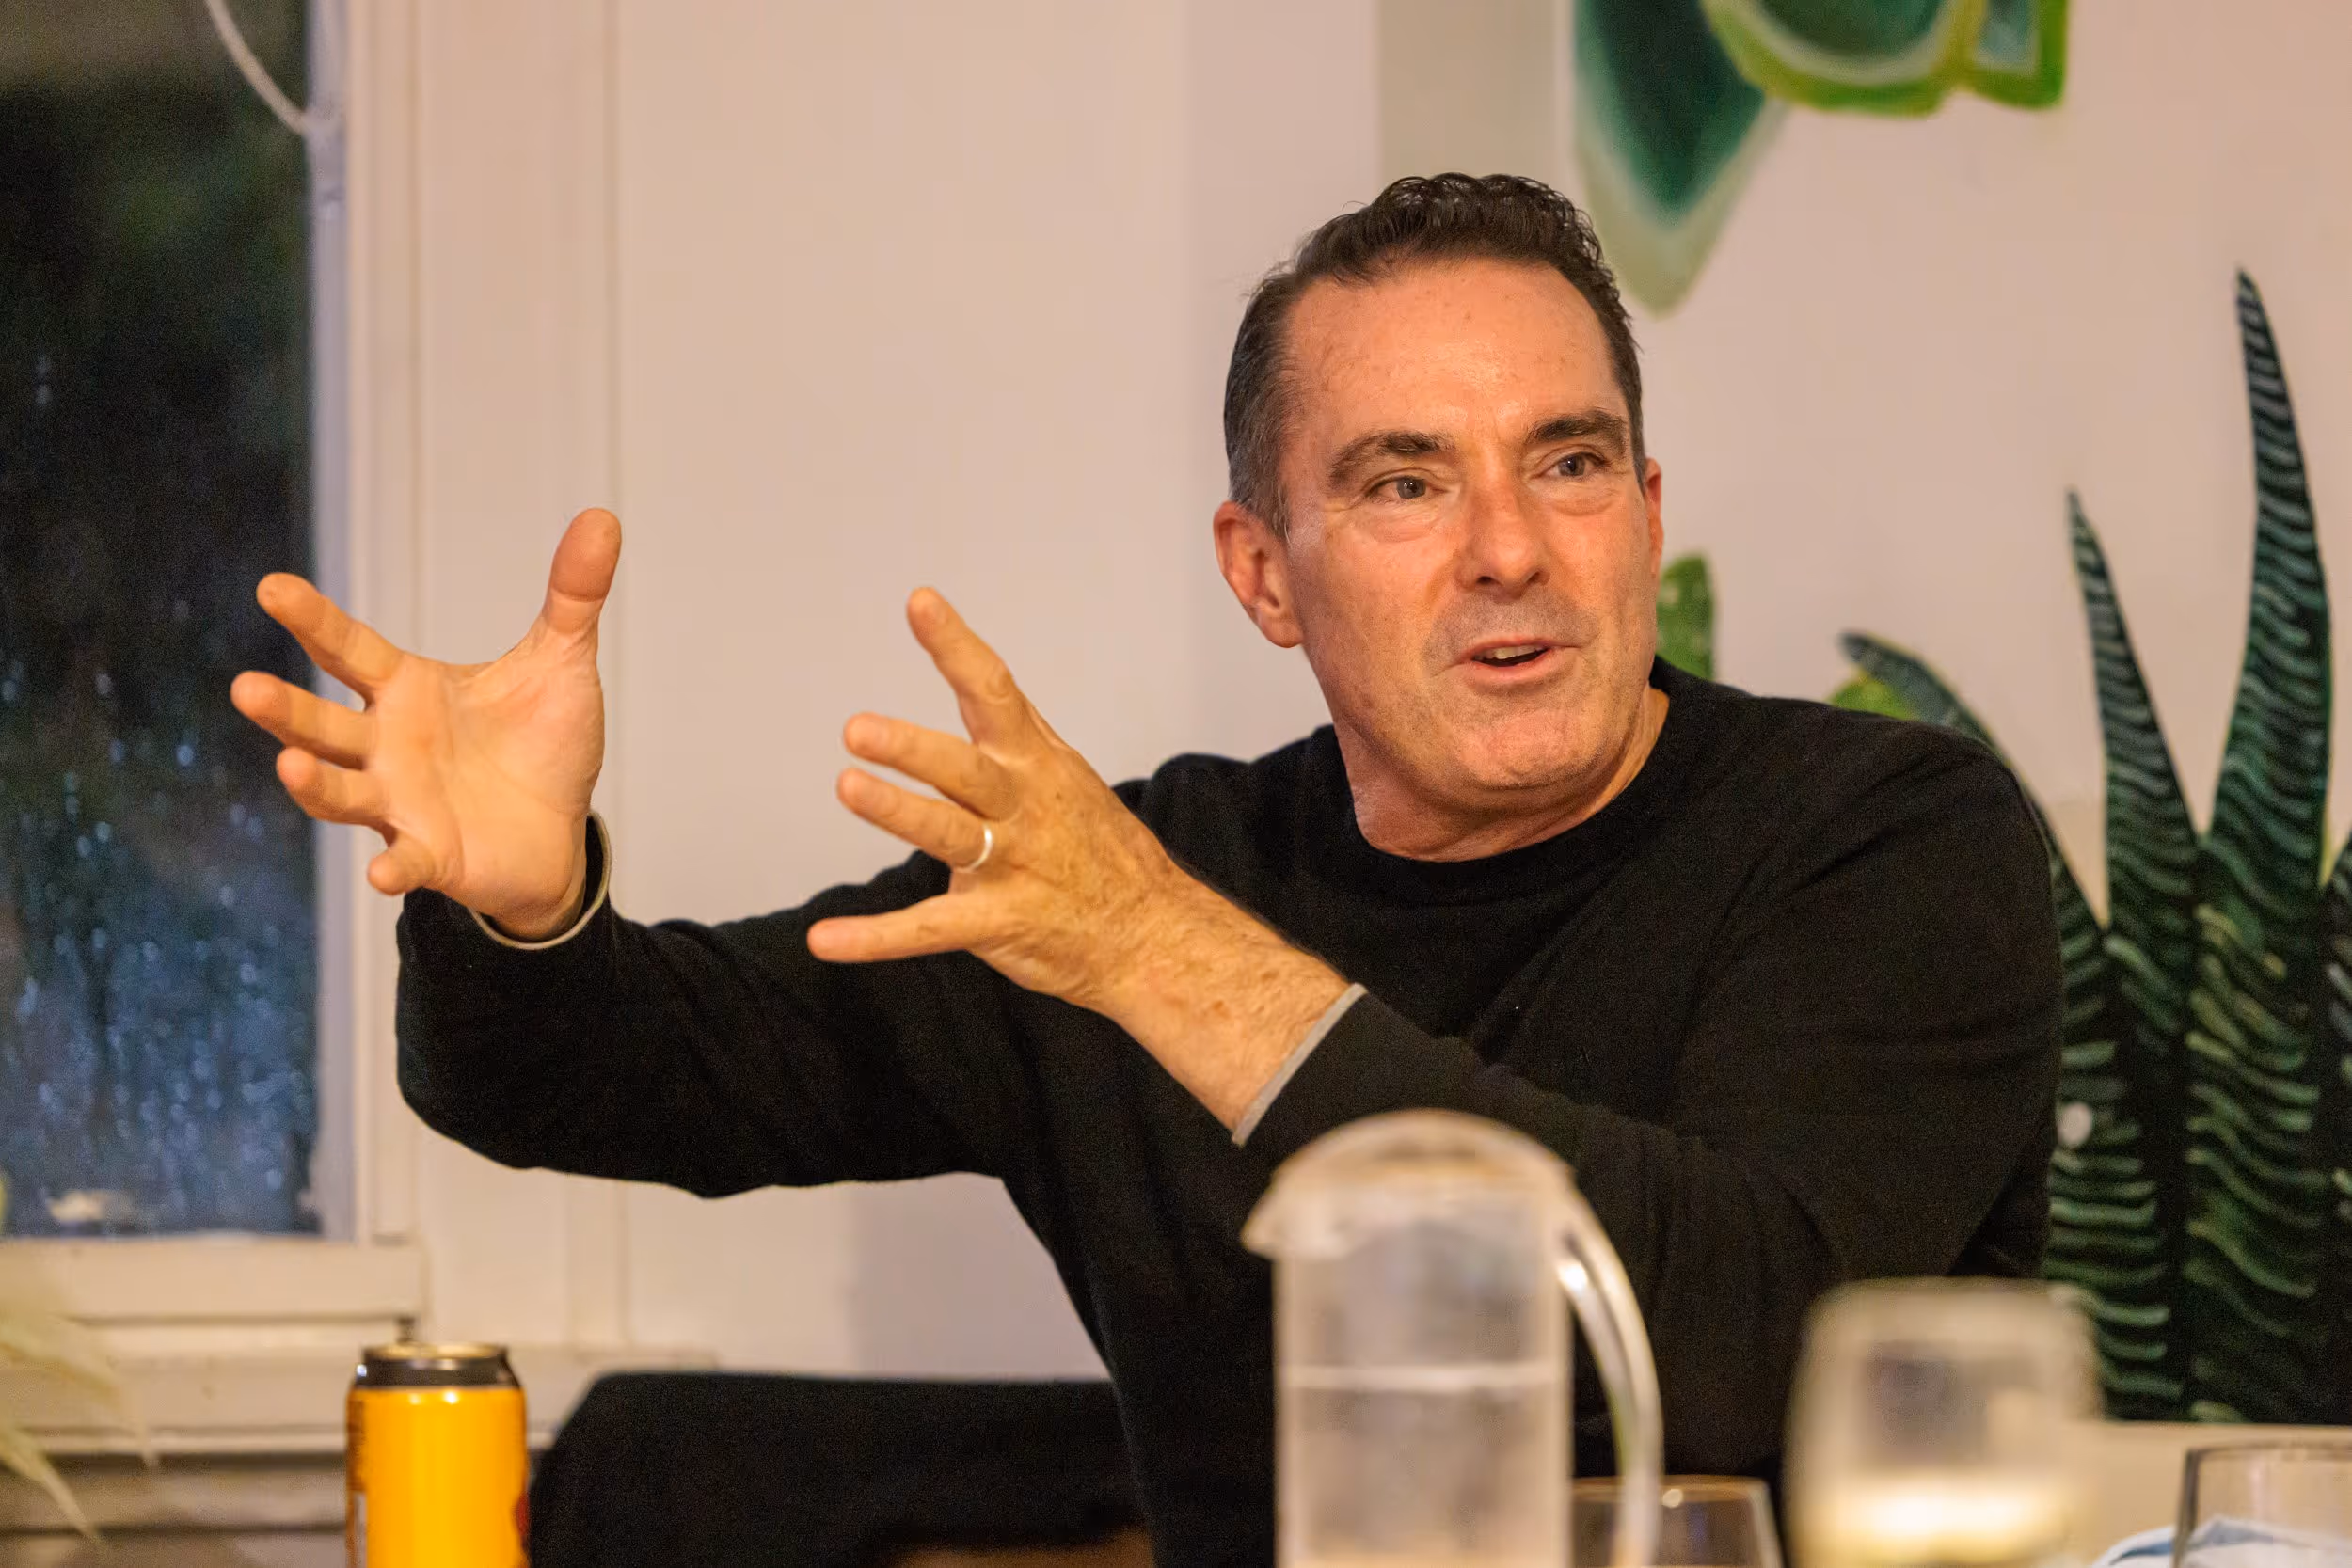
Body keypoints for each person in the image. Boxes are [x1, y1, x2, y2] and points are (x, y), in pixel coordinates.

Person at [232, 174, 2060, 1566]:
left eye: (1565, 463)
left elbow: (1744, 1349)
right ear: (1262, 572)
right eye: (1404, 483)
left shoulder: (1885, 839)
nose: (1508, 547)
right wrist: (515, 896)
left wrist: (1156, 953)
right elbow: (583, 1068)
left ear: (1643, 516)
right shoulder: (1131, 882)